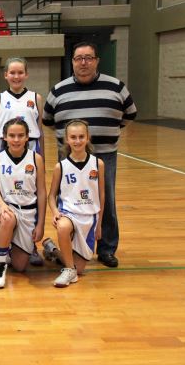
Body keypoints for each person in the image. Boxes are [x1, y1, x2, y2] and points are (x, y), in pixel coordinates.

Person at [43, 41, 137, 268]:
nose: (83, 62)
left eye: (88, 58)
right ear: (72, 62)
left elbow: (129, 115)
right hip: (68, 159)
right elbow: (47, 119)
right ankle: (68, 245)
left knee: (106, 201)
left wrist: (105, 136)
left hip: (104, 156)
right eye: (78, 58)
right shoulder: (59, 90)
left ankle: (106, 248)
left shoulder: (116, 87)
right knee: (67, 201)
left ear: (96, 60)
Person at [0, 57, 46, 266]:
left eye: (20, 72)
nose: (16, 76)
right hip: (5, 147)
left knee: (31, 193)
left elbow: (40, 131)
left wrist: (44, 157)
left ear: (26, 74)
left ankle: (31, 245)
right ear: (6, 75)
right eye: (12, 73)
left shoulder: (36, 97)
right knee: (8, 193)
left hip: (30, 146)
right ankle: (8, 235)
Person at [0, 119, 46, 289]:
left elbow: (41, 192)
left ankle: (5, 249)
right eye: (11, 135)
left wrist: (41, 224)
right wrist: (2, 205)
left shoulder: (36, 159)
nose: (16, 139)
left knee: (20, 267)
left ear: (28, 137)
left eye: (21, 135)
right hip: (5, 209)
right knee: (7, 218)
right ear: (4, 137)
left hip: (28, 213)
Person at [47, 120, 105, 287]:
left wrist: (99, 224)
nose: (77, 141)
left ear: (88, 138)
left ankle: (52, 249)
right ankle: (69, 270)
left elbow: (102, 195)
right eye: (73, 137)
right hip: (70, 214)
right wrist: (56, 212)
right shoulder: (61, 166)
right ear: (67, 139)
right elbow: (51, 196)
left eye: (81, 137)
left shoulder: (97, 164)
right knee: (63, 226)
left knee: (79, 268)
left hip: (90, 217)